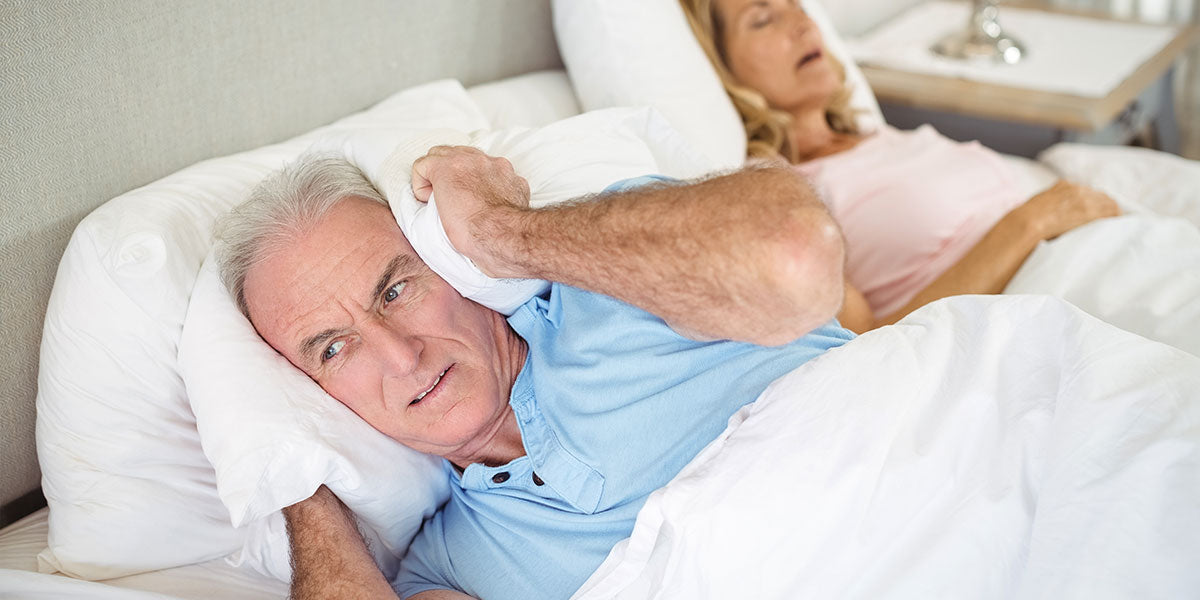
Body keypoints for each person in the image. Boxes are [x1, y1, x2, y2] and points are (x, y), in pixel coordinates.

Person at [215, 147, 856, 599]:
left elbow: (793, 251)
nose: (400, 355)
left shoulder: (619, 280)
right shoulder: (452, 568)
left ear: (445, 260)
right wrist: (299, 484)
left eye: (395, 290)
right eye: (333, 349)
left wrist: (502, 232)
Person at [678, 0, 1122, 333]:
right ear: (724, 70)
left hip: (1098, 258)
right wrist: (1030, 222)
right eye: (762, 19)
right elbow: (869, 345)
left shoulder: (876, 137)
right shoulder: (784, 196)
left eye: (794, 4)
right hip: (1048, 306)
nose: (800, 23)